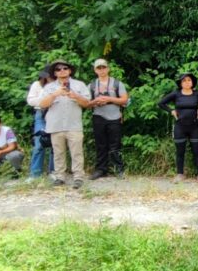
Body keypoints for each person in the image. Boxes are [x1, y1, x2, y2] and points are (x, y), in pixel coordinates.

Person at [39, 60, 92, 188]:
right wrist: (55, 94)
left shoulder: (79, 85)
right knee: (58, 153)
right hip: (55, 126)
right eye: (58, 69)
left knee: (77, 153)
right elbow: (42, 104)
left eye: (65, 68)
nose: (62, 70)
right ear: (55, 73)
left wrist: (75, 96)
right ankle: (60, 177)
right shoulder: (49, 87)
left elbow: (87, 104)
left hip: (74, 125)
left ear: (70, 70)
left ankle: (78, 177)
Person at [158, 73, 198, 182]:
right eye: (184, 81)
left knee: (197, 151)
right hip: (180, 126)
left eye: (189, 80)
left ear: (192, 82)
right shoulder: (176, 94)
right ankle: (180, 174)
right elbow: (161, 103)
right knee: (180, 151)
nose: (187, 82)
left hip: (194, 126)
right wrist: (171, 110)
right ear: (181, 83)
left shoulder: (197, 94)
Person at [88, 58, 129, 180]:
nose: (101, 70)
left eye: (103, 67)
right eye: (98, 68)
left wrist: (109, 99)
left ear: (108, 68)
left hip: (115, 116)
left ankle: (119, 169)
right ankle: (101, 169)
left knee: (115, 144)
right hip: (98, 116)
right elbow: (85, 102)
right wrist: (96, 101)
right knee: (100, 144)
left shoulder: (117, 83)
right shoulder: (91, 85)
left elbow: (124, 99)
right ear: (95, 70)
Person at [26, 68, 53, 179]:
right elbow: (31, 101)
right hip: (41, 114)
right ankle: (35, 174)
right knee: (39, 144)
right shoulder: (37, 85)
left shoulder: (59, 84)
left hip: (55, 115)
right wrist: (45, 100)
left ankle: (54, 172)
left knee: (55, 145)